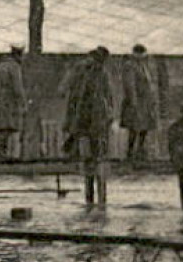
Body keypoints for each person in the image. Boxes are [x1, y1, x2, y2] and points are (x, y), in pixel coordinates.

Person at [64, 46, 115, 205]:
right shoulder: (87, 72)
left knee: (95, 158)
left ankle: (95, 198)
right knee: (93, 158)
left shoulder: (96, 73)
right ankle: (94, 198)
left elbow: (107, 95)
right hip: (91, 118)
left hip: (94, 119)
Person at [119, 44, 160, 162]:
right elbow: (130, 85)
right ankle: (130, 153)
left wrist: (152, 101)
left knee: (144, 128)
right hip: (137, 103)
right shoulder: (130, 66)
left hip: (145, 103)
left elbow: (149, 84)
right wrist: (134, 102)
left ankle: (140, 151)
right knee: (134, 128)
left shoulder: (144, 66)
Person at [0, 46, 29, 158]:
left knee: (3, 126)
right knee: (8, 126)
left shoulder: (0, 66)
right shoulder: (14, 67)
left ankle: (1, 150)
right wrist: (23, 102)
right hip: (9, 100)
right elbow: (17, 86)